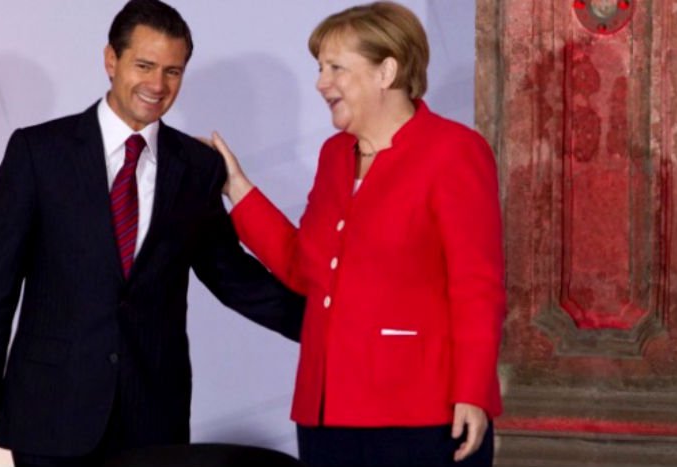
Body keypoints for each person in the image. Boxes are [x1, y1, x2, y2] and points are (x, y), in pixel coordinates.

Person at [0, 1, 304, 466]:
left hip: (152, 414)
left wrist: (327, 328)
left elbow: (234, 278)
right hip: (51, 410)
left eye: (173, 71)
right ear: (111, 60)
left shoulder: (197, 167)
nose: (158, 85)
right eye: (145, 66)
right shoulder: (39, 152)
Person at [207, 2, 505, 465]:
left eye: (336, 68)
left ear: (386, 71)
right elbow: (303, 267)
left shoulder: (454, 151)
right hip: (326, 411)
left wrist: (472, 391)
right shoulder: (334, 155)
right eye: (320, 68)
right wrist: (237, 186)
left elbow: (477, 286)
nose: (321, 83)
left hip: (421, 411)